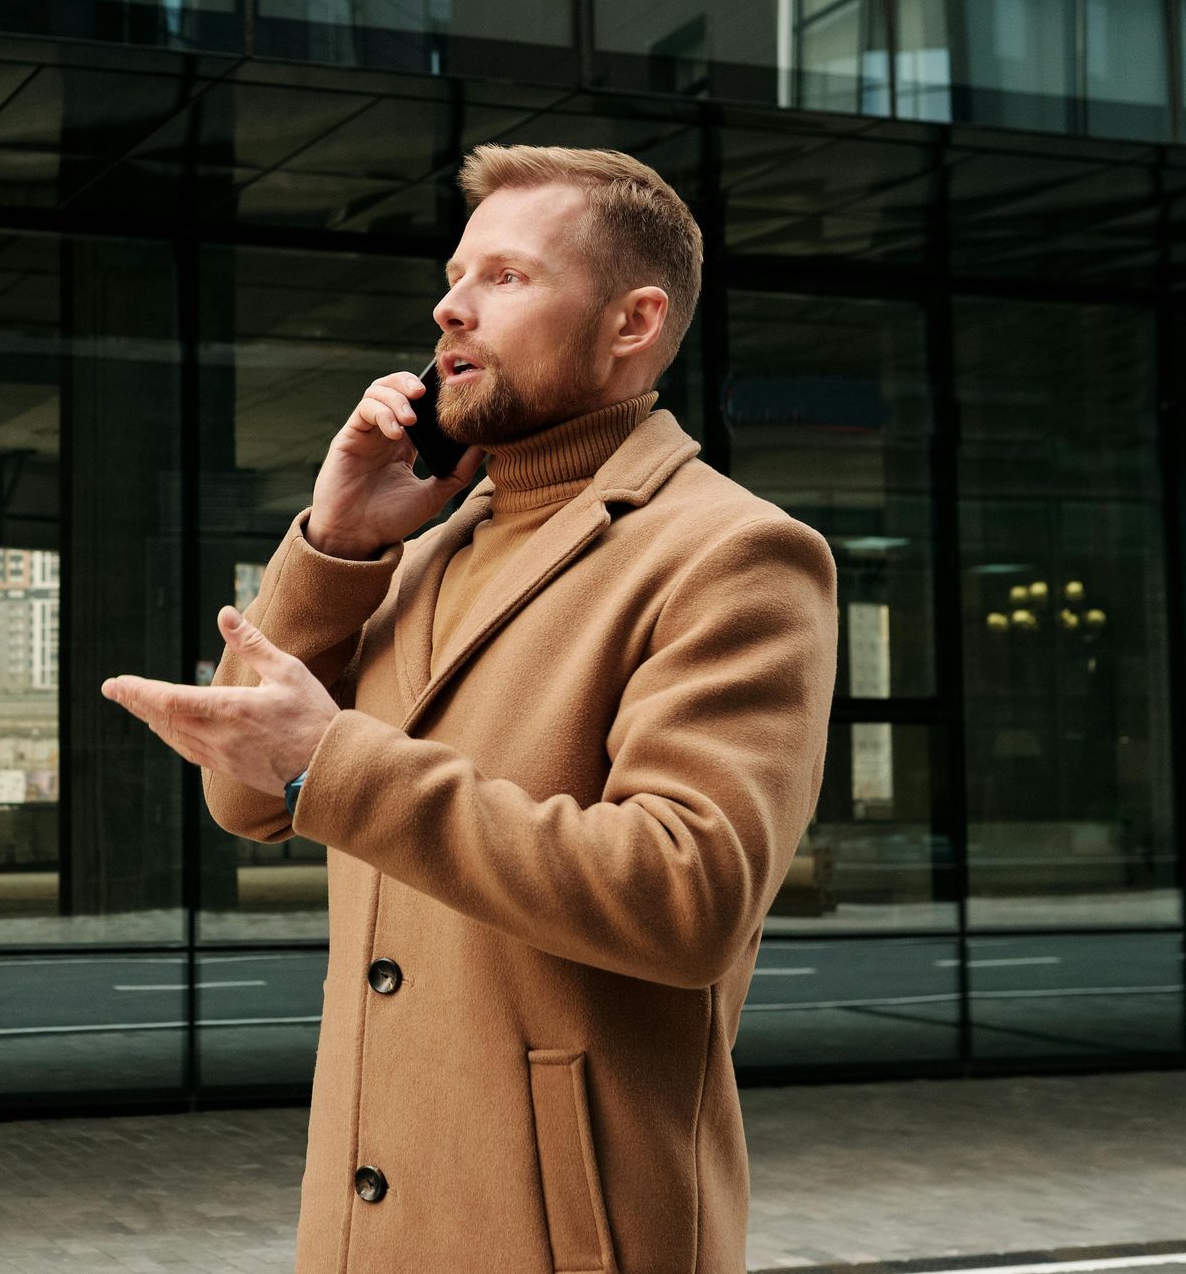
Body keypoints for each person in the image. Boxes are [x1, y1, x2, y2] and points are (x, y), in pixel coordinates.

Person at [100, 144, 839, 1273]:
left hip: (565, 1235)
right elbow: (245, 800)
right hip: (363, 1223)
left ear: (630, 322)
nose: (448, 307)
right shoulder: (424, 548)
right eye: (454, 276)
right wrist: (336, 541)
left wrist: (333, 760)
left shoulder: (733, 553)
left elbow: (689, 893)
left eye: (503, 277)